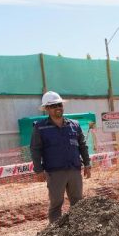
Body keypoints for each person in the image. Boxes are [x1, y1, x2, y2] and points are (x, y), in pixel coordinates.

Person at [30, 91, 91, 223]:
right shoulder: (40, 127)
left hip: (74, 169)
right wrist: (38, 170)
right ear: (47, 109)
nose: (58, 107)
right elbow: (35, 149)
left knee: (78, 202)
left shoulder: (74, 125)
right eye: (53, 106)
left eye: (59, 104)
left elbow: (82, 146)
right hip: (55, 172)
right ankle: (55, 234)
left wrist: (87, 164)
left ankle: (79, 228)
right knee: (56, 203)